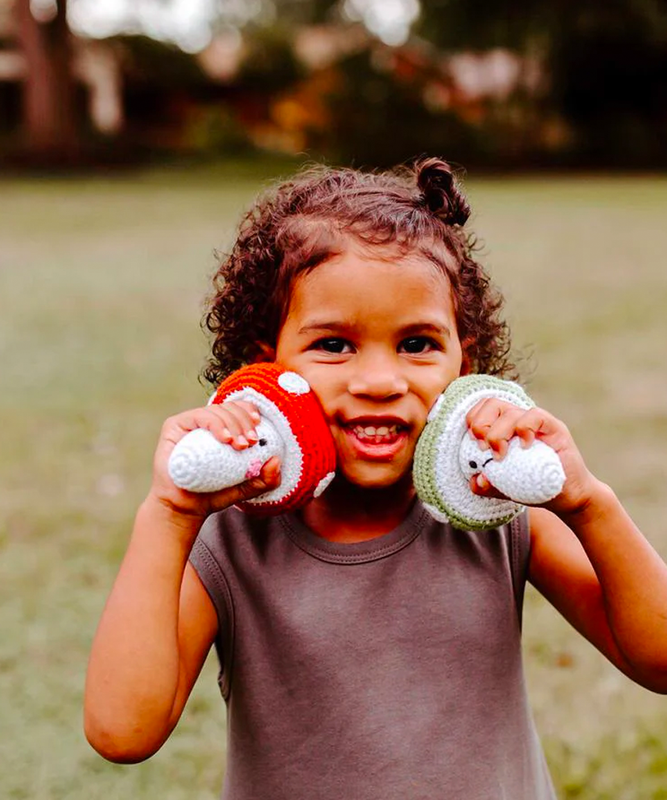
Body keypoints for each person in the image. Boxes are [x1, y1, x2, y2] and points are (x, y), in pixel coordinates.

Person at [84, 158, 667, 799]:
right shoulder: (228, 539)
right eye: (334, 345)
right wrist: (168, 516)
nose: (381, 382)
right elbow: (122, 732)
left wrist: (588, 502)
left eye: (417, 343)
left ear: (462, 364)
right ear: (266, 369)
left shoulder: (499, 511)